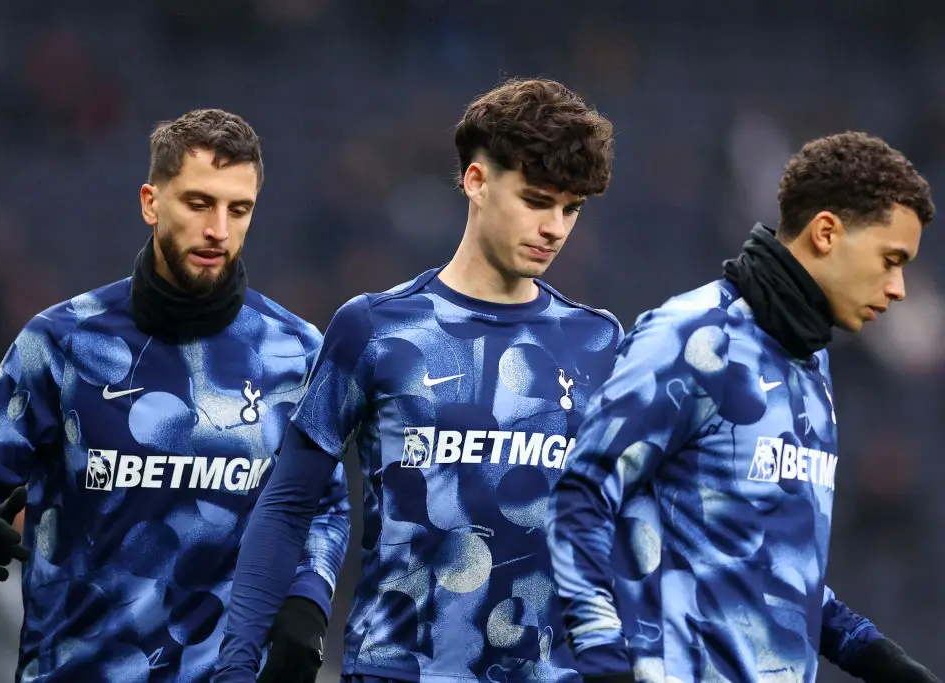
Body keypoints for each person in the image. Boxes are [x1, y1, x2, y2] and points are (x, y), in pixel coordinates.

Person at [212, 78, 622, 682]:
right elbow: (289, 504)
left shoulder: (599, 343)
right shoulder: (374, 329)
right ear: (477, 182)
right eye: (537, 201)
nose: (556, 228)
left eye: (571, 209)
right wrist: (237, 662)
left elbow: (632, 527)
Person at [0, 108, 350, 683]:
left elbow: (324, 507)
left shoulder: (297, 354)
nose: (218, 230)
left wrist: (308, 601)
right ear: (151, 202)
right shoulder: (60, 344)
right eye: (199, 203)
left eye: (238, 209)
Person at [547, 131, 939, 683]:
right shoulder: (693, 337)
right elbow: (582, 497)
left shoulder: (812, 366)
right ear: (826, 233)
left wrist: (874, 654)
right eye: (890, 259)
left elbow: (771, 566)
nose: (899, 288)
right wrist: (603, 660)